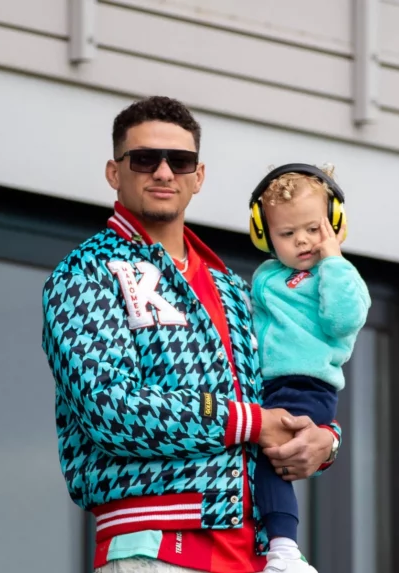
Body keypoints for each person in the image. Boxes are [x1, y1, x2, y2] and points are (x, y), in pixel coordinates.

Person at [41, 96, 342, 573]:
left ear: (197, 177)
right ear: (113, 172)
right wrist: (250, 422)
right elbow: (109, 408)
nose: (163, 172)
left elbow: (280, 390)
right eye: (144, 159)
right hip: (154, 548)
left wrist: (323, 439)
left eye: (179, 161)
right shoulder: (86, 272)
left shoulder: (231, 288)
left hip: (257, 555)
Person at [247, 164, 371, 572]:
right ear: (263, 235)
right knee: (256, 460)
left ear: (335, 225)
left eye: (313, 229)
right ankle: (273, 547)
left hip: (307, 385)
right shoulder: (268, 276)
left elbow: (343, 320)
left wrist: (333, 261)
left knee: (272, 460)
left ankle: (284, 551)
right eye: (286, 233)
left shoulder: (338, 275)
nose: (302, 240)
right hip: (267, 386)